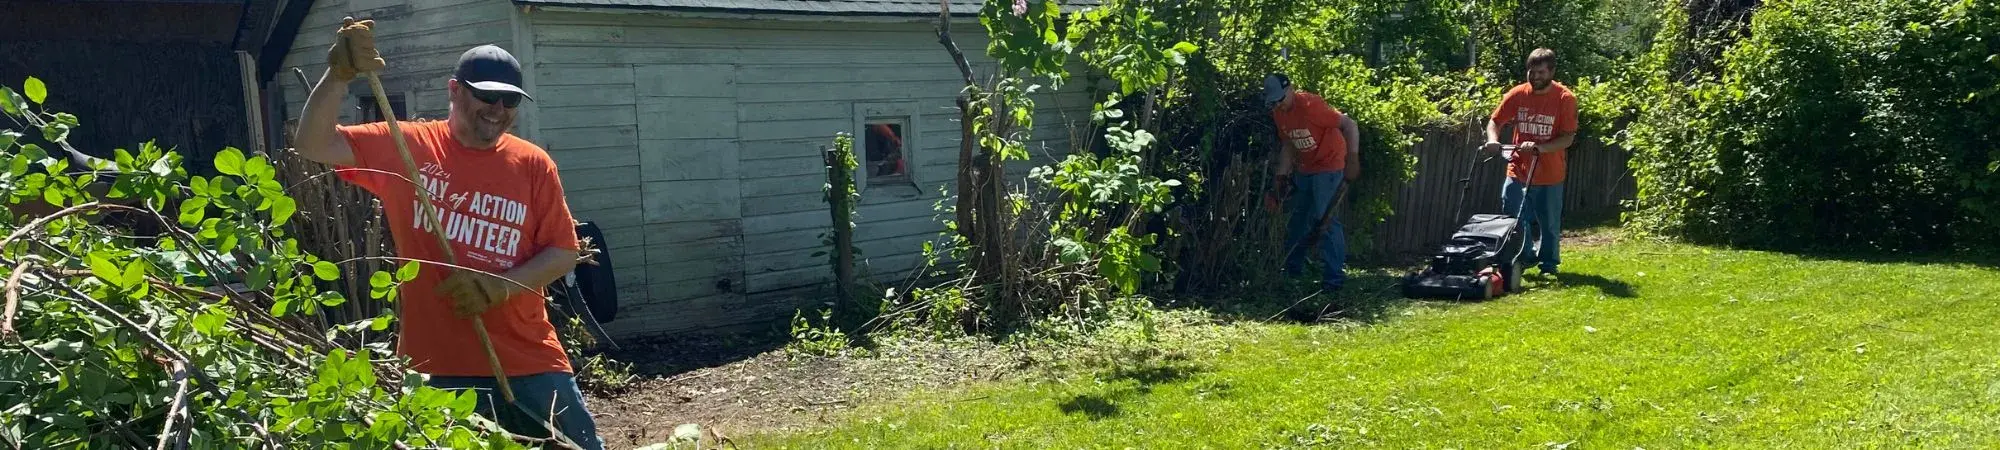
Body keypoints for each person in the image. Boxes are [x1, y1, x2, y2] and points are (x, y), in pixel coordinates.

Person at [292, 18, 604, 449]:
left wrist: (496, 288)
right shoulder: (406, 146)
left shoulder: (533, 164)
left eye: (509, 99)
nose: (498, 108)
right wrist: (338, 76)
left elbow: (563, 252)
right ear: (454, 90)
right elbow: (312, 144)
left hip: (531, 360)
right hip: (437, 366)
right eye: (486, 95)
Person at [1481, 48, 1579, 276]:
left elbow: (1568, 137)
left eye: (1541, 73)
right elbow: (1495, 121)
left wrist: (1540, 148)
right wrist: (1493, 140)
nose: (1535, 77)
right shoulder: (1518, 94)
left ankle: (1548, 264)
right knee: (1513, 215)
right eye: (1531, 72)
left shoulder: (1565, 98)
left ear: (1552, 71)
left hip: (1550, 172)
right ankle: (1524, 256)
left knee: (1549, 222)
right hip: (1519, 168)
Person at [1264, 73, 1360, 292]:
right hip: (1305, 168)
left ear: (1290, 89)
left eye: (1281, 99)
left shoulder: (1310, 105)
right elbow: (1288, 145)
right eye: (1274, 102)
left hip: (1329, 164)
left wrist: (1353, 158)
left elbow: (1350, 124)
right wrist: (1279, 181)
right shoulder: (1279, 114)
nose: (1279, 105)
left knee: (1324, 220)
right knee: (1298, 219)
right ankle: (1292, 270)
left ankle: (1333, 279)